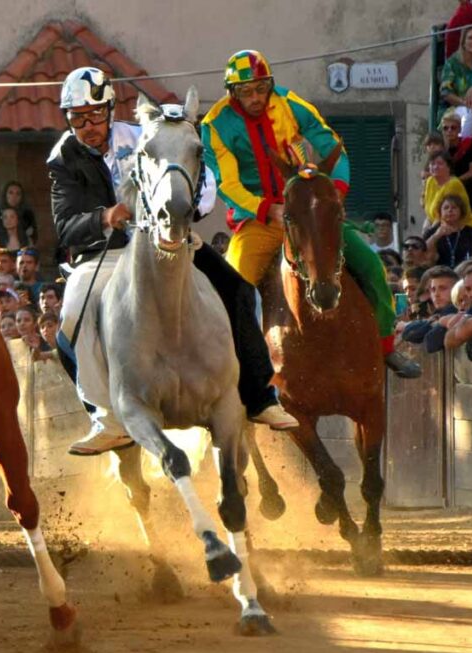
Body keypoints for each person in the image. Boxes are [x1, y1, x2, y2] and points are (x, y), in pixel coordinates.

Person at [50, 65, 299, 455]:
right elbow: (65, 225)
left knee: (239, 290)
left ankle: (259, 396)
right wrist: (104, 217)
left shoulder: (144, 134)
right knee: (72, 314)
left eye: (96, 114)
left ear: (111, 109)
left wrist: (185, 209)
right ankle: (108, 418)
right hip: (105, 255)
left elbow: (200, 178)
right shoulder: (63, 157)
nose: (88, 125)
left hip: (167, 240)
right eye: (78, 118)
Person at [202, 50, 421, 379]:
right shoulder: (215, 124)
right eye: (246, 91)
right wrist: (267, 209)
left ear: (270, 85)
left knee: (372, 266)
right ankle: (227, 368)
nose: (256, 98)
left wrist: (335, 191)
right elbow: (226, 184)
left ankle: (386, 345)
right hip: (259, 219)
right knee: (232, 287)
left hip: (307, 210)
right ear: (232, 93)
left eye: (261, 88)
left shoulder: (290, 103)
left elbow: (331, 144)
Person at [422, 151, 472, 238]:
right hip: (442, 228)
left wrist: (428, 235)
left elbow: (444, 216)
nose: (435, 167)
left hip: (464, 231)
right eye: (432, 164)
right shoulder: (430, 181)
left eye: (440, 164)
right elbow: (429, 212)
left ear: (448, 167)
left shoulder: (453, 184)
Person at [423, 194, 472, 267]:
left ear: (461, 211)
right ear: (440, 212)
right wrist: (436, 236)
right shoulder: (431, 232)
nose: (450, 210)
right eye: (446, 208)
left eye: (454, 208)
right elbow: (422, 253)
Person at [440, 110, 472, 217]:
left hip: (466, 184)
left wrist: (455, 181)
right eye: (445, 128)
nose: (449, 131)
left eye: (453, 128)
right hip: (447, 186)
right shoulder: (440, 148)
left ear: (459, 129)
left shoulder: (468, 144)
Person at [0, 181, 37, 250]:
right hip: (3, 254)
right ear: (5, 195)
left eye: (18, 194)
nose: (14, 197)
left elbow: (33, 238)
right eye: (11, 193)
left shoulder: (27, 215)